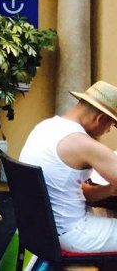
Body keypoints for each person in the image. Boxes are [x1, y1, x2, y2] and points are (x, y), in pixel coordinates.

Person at [19, 81, 117, 253]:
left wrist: (110, 189)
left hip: (43, 231)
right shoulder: (81, 142)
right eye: (111, 125)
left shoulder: (46, 127)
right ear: (100, 118)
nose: (108, 131)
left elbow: (73, 191)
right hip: (72, 233)